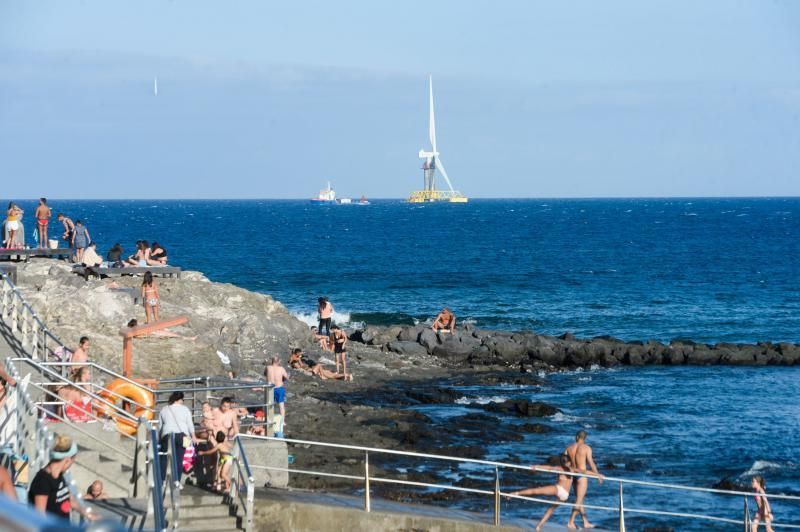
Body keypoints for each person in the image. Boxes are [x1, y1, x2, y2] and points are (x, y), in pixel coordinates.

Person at [28, 434, 94, 521]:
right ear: (67, 460)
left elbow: (71, 501)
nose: (71, 464)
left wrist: (89, 515)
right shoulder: (43, 481)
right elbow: (40, 516)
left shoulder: (60, 476)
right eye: (72, 461)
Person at [511, 453, 576, 531]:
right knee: (550, 510)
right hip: (565, 495)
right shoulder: (573, 470)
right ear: (570, 462)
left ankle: (516, 493)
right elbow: (585, 472)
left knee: (535, 491)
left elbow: (549, 468)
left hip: (558, 489)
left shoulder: (560, 468)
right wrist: (594, 474)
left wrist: (537, 466)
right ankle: (539, 526)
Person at [565, 430, 603, 530]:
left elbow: (565, 463)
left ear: (577, 437)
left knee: (580, 499)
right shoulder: (587, 448)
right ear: (584, 438)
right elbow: (591, 463)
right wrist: (597, 475)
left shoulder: (569, 448)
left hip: (572, 475)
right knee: (578, 500)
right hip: (581, 476)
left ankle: (585, 522)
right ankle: (570, 522)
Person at [158, 391, 197, 483]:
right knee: (179, 459)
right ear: (180, 400)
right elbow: (190, 424)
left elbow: (160, 426)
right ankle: (177, 482)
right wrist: (194, 436)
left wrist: (159, 439)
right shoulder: (185, 409)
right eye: (183, 400)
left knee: (163, 458)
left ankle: (162, 480)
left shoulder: (164, 409)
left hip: (167, 434)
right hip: (182, 436)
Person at [265, 357, 288, 422]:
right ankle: (282, 421)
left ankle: (269, 420)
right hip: (279, 388)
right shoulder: (281, 368)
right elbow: (286, 377)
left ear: (272, 361)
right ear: (278, 362)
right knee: (281, 405)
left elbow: (265, 374)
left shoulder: (268, 367)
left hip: (270, 388)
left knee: (269, 405)